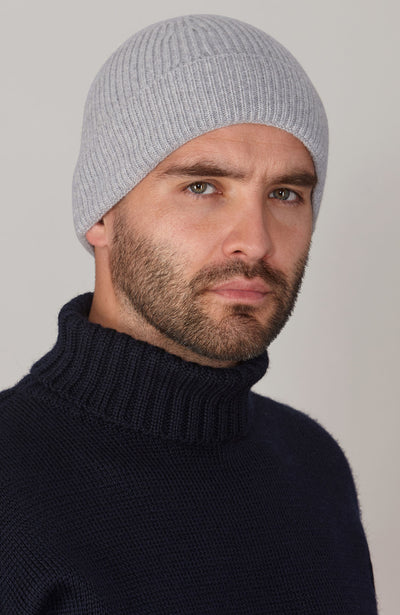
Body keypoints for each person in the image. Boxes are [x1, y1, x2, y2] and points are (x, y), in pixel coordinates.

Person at [0, 14, 378, 614]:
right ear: (101, 213)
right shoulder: (12, 484)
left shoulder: (314, 466)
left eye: (285, 194)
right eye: (202, 186)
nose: (255, 241)